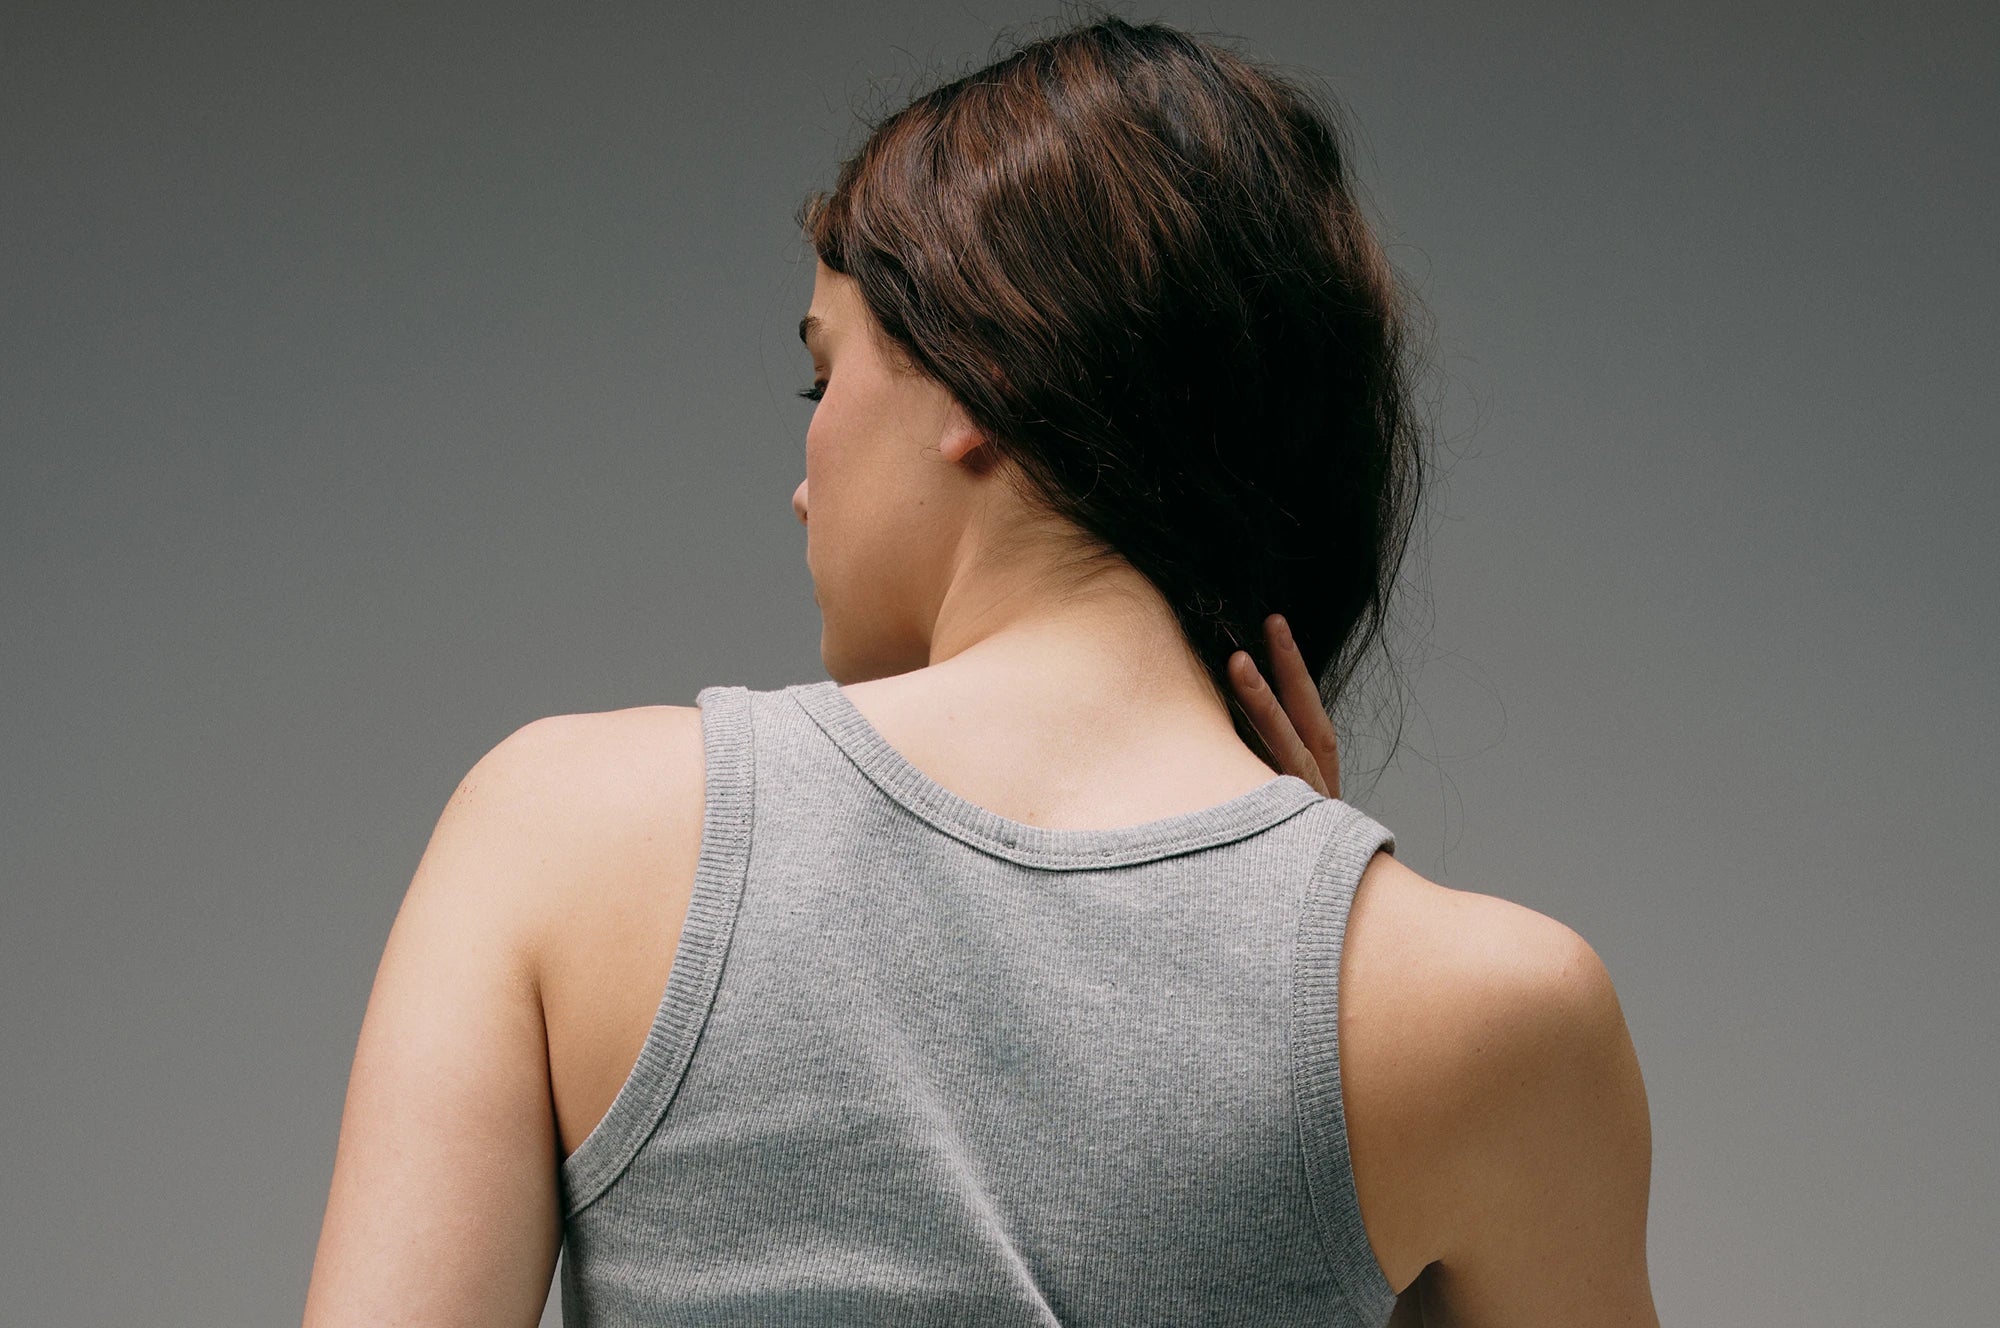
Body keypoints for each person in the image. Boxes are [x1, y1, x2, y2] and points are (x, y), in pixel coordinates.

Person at [303, 15, 1657, 1327]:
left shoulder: (560, 829)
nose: (800, 482)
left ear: (981, 376)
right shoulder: (1492, 1007)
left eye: (823, 379)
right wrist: (1306, 931)